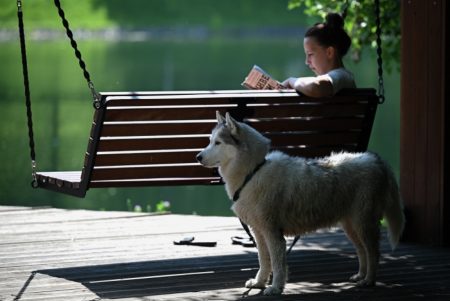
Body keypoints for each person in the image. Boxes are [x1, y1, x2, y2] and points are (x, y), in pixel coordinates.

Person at [282, 13, 356, 97]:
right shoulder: (343, 78)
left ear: (329, 52)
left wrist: (291, 81)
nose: (307, 61)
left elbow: (314, 87)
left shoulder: (341, 76)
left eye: (310, 54)